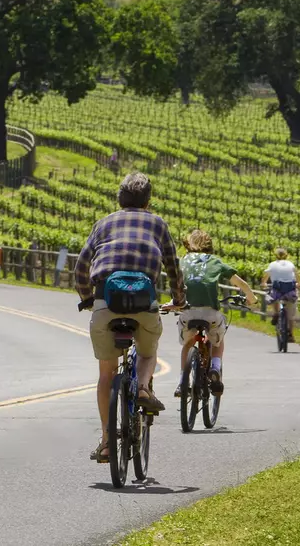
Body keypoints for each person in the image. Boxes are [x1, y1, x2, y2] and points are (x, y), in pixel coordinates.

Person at [75, 172, 185, 464]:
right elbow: (173, 267)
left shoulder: (104, 223)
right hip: (143, 304)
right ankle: (145, 387)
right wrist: (179, 299)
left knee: (105, 373)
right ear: (148, 201)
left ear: (119, 198)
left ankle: (108, 442)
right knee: (148, 352)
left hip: (105, 303)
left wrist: (88, 297)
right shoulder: (158, 224)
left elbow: (81, 266)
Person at [175, 229, 255, 397]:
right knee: (218, 342)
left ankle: (183, 382)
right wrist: (251, 297)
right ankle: (215, 368)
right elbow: (240, 282)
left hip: (188, 312)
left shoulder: (183, 261)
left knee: (187, 344)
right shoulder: (215, 261)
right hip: (210, 313)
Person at [263, 247, 298, 342]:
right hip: (290, 290)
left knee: (273, 295)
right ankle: (290, 334)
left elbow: (265, 275)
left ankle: (276, 313)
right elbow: (297, 274)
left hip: (278, 289)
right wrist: (298, 284)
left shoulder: (272, 264)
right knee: (291, 315)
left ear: (275, 256)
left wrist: (263, 283)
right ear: (286, 255)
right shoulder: (291, 264)